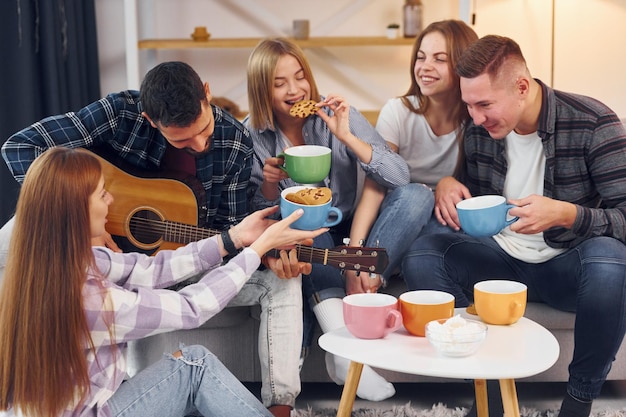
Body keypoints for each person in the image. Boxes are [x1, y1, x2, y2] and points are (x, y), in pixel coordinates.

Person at [1, 61, 312, 417]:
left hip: (157, 262)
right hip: (109, 291)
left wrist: (237, 240)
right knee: (9, 239)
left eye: (204, 129)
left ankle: (279, 408)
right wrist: (90, 225)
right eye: (102, 195)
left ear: (206, 94)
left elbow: (153, 267)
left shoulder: (82, 265)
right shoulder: (119, 114)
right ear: (150, 120)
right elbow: (20, 148)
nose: (199, 144)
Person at [402, 35, 626, 417]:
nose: (475, 118)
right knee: (423, 253)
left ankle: (578, 400)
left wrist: (566, 214)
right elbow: (475, 199)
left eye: (485, 104)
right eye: (469, 105)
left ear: (522, 87)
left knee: (610, 259)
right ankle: (488, 394)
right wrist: (446, 184)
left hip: (567, 267)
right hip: (500, 265)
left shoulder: (593, 122)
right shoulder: (479, 130)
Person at [244, 37, 411, 401]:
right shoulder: (251, 136)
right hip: (303, 232)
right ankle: (348, 357)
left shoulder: (334, 115)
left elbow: (399, 176)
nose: (294, 89)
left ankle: (358, 274)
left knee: (418, 196)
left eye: (299, 76)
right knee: (305, 223)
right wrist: (271, 186)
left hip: (354, 228)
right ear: (261, 90)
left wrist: (346, 135)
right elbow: (259, 213)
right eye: (279, 83)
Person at [345, 19, 478, 296]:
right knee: (418, 195)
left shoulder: (476, 118)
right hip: (398, 213)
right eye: (421, 57)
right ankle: (372, 274)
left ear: (464, 64)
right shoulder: (399, 112)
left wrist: (447, 182)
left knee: (459, 227)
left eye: (439, 59)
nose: (425, 67)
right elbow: (375, 186)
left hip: (440, 221)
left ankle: (402, 261)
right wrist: (354, 254)